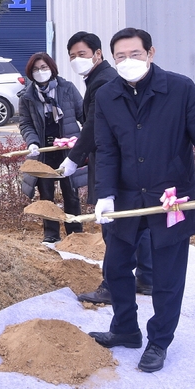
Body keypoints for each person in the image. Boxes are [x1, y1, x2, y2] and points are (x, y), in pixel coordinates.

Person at [89, 27, 195, 373]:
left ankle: (159, 341)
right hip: (126, 197)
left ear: (151, 53)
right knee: (116, 267)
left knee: (167, 277)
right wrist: (105, 194)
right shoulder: (108, 96)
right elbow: (107, 150)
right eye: (120, 57)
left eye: (134, 54)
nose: (127, 62)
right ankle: (125, 329)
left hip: (172, 198)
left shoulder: (180, 89)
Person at [60, 31, 153, 303]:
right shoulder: (102, 79)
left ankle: (112, 286)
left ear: (98, 54)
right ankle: (147, 278)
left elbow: (94, 126)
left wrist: (74, 157)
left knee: (112, 225)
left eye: (83, 54)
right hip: (129, 163)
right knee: (138, 221)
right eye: (73, 56)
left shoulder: (104, 82)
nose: (77, 60)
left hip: (112, 163)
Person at [17, 52, 85, 243]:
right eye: (36, 69)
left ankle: (75, 234)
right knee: (46, 196)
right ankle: (51, 235)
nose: (41, 72)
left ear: (52, 69)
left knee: (71, 193)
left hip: (67, 151)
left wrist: (82, 141)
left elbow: (84, 116)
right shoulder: (27, 97)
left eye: (44, 68)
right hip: (44, 153)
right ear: (31, 73)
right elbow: (26, 124)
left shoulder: (67, 89)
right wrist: (32, 142)